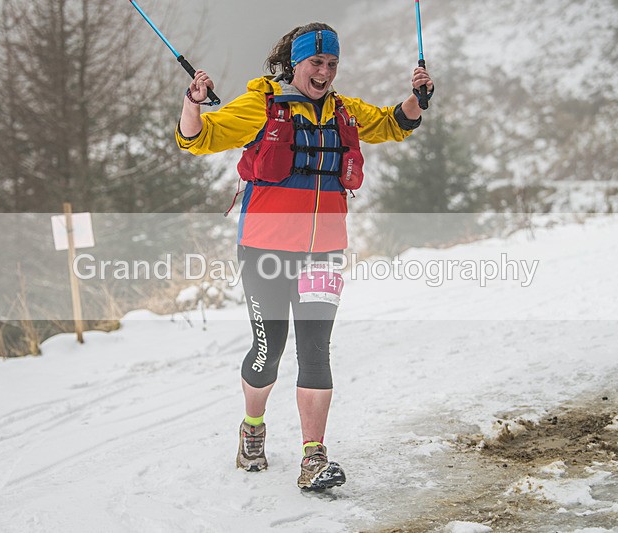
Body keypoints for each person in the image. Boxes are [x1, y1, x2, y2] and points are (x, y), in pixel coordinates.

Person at [176, 22, 433, 491]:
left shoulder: (344, 111)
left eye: (332, 64)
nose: (325, 72)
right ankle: (252, 428)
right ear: (295, 64)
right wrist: (193, 103)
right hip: (265, 250)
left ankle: (314, 457)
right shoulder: (262, 105)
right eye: (317, 63)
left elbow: (396, 122)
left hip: (324, 252)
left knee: (315, 352)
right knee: (268, 351)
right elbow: (197, 139)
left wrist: (419, 96)